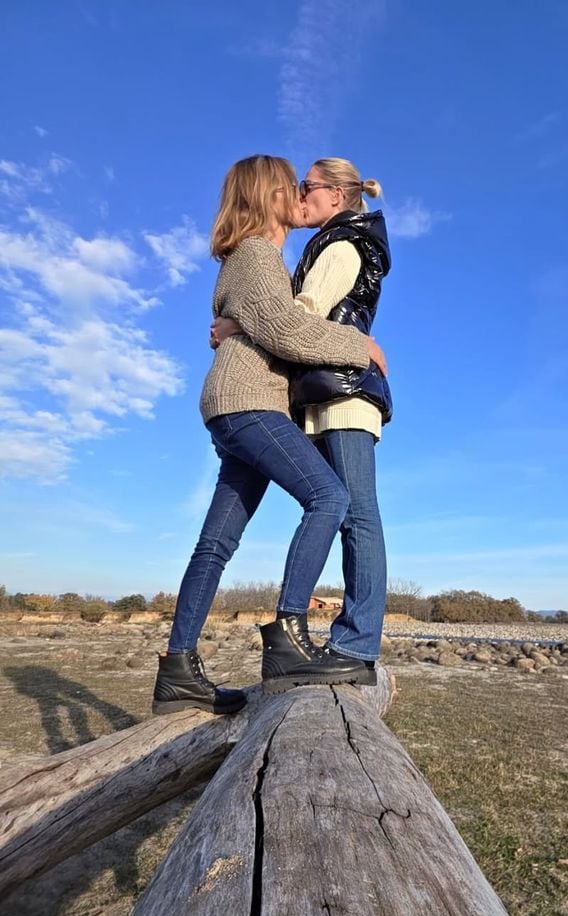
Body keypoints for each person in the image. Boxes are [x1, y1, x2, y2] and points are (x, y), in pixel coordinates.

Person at [153, 154, 387, 716]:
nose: (300, 195)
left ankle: (178, 669)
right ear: (270, 196)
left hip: (236, 407)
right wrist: (364, 349)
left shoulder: (262, 260)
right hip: (250, 405)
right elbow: (286, 329)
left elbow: (267, 319)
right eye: (292, 187)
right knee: (329, 497)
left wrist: (235, 324)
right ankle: (287, 636)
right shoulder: (258, 254)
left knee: (215, 543)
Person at [212, 157, 391, 676]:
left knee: (356, 514)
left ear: (336, 196)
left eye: (307, 186)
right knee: (342, 510)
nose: (299, 194)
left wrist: (236, 327)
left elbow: (298, 321)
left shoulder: (340, 245)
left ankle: (356, 645)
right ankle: (340, 640)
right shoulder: (331, 241)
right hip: (328, 393)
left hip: (344, 394)